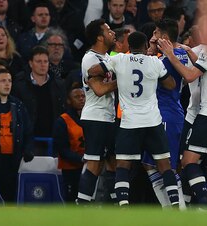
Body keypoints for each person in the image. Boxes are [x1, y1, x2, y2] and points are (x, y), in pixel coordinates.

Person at [88, 31, 179, 207]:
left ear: (129, 46)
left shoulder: (119, 59)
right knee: (164, 165)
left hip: (130, 123)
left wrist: (119, 79)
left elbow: (93, 71)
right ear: (146, 47)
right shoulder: (154, 62)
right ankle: (175, 204)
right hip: (153, 121)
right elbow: (171, 85)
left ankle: (123, 206)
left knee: (123, 164)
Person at [158, 9, 207, 208]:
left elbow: (190, 76)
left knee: (189, 162)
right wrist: (191, 52)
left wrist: (170, 55)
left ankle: (203, 206)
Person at [142, 18, 188, 209]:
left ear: (164, 37)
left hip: (166, 116)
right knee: (151, 164)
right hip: (169, 115)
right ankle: (170, 210)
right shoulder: (179, 54)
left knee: (164, 166)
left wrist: (151, 49)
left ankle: (179, 212)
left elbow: (142, 69)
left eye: (155, 34)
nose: (152, 37)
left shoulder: (167, 59)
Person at [76, 19, 117, 204]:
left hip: (108, 118)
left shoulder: (107, 58)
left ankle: (114, 205)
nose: (112, 33)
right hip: (95, 117)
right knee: (94, 164)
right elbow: (99, 90)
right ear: (100, 37)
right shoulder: (90, 59)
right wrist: (122, 79)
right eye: (108, 30)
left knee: (113, 163)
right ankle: (82, 204)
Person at [0, 68, 33, 202]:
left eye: (9, 81)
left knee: (11, 194)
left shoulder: (18, 105)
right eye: (3, 81)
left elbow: (27, 130)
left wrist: (27, 150)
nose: (7, 84)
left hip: (13, 157)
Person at [12, 46, 66, 155]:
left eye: (45, 61)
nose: (43, 64)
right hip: (28, 139)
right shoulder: (19, 85)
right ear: (31, 63)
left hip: (53, 137)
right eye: (39, 61)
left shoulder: (59, 84)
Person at [53, 86, 85, 202]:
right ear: (69, 101)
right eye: (77, 97)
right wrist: (81, 158)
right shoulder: (62, 121)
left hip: (90, 167)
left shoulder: (91, 119)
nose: (81, 99)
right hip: (71, 169)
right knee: (72, 199)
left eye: (83, 96)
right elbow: (62, 149)